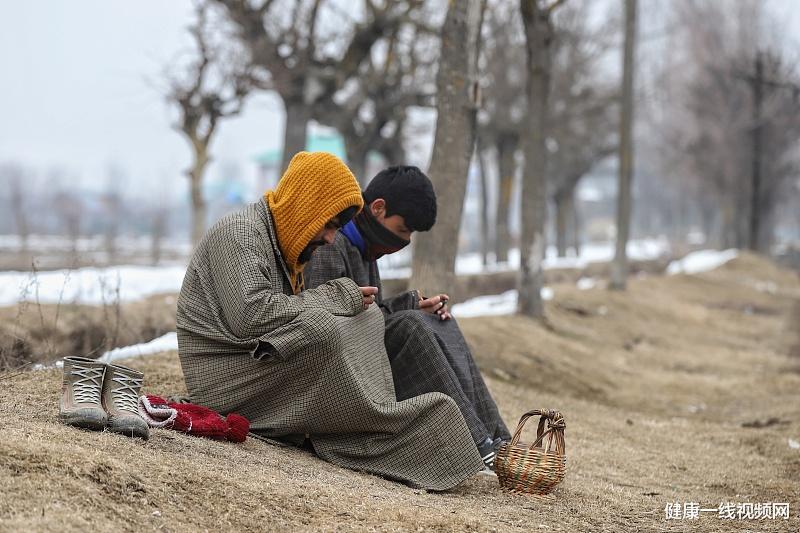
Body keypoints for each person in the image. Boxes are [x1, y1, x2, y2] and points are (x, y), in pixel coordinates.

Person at [176, 152, 484, 490]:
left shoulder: (283, 242)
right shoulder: (240, 234)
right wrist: (336, 297)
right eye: (330, 225)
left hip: (253, 359)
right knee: (324, 329)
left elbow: (290, 315)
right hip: (222, 378)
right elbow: (250, 317)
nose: (330, 238)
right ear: (306, 208)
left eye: (337, 229)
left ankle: (405, 426)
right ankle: (374, 428)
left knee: (367, 317)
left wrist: (378, 305)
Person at [304, 165, 511, 470]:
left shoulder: (364, 246)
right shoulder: (331, 245)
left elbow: (370, 309)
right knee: (412, 327)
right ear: (378, 208)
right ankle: (476, 442)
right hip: (341, 366)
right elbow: (327, 321)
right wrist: (407, 314)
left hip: (364, 345)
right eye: (403, 229)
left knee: (441, 322)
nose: (405, 240)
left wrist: (414, 305)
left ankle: (499, 438)